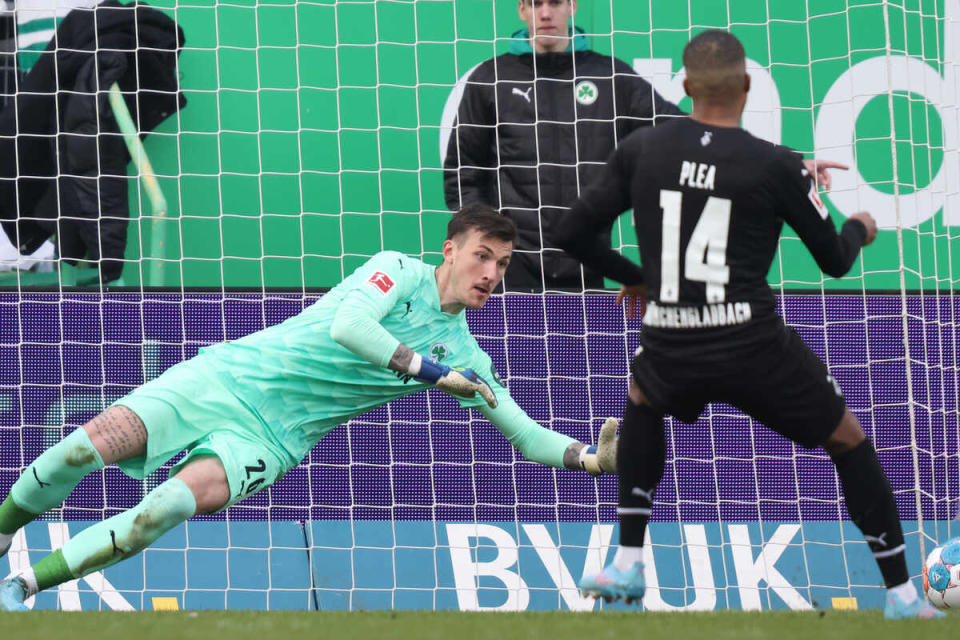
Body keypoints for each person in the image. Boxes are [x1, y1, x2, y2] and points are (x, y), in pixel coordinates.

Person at [0, 205, 617, 611]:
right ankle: (4, 532)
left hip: (272, 440)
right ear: (450, 250)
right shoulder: (395, 270)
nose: (491, 273)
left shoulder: (467, 355)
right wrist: (431, 372)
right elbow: (349, 327)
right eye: (483, 255)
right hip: (222, 376)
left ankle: (21, 588)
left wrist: (592, 459)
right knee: (81, 447)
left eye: (503, 264)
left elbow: (526, 434)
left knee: (161, 510)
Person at [555, 30, 942, 618]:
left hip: (672, 339)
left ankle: (629, 562)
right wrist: (860, 226)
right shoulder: (774, 165)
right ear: (748, 85)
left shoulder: (643, 149)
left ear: (684, 87)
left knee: (641, 397)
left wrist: (635, 275)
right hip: (753, 346)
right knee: (848, 440)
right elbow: (834, 262)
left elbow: (573, 234)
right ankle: (903, 596)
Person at [443, 0, 684, 291]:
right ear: (521, 10)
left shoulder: (609, 76)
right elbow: (463, 171)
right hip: (510, 268)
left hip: (587, 262)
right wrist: (488, 244)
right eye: (535, 4)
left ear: (572, 6)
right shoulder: (490, 78)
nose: (545, 13)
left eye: (555, 3)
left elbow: (677, 131)